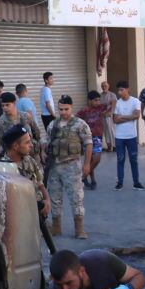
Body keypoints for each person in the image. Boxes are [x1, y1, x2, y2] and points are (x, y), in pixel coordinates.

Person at [45, 95, 93, 239]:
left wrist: (87, 164)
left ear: (71, 108)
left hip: (72, 165)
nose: (63, 112)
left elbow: (88, 143)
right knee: (54, 197)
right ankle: (56, 227)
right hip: (54, 166)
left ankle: (79, 229)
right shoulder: (53, 125)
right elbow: (47, 142)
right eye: (61, 109)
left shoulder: (80, 124)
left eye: (66, 109)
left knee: (76, 197)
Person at [2, 124, 52, 250]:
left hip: (36, 212)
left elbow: (40, 183)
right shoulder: (2, 166)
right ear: (15, 146)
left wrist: (47, 200)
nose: (31, 145)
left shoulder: (29, 160)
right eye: (27, 142)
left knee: (35, 249)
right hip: (17, 218)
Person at [112, 80, 144, 190]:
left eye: (122, 90)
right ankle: (119, 182)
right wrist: (129, 116)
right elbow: (115, 120)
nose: (120, 92)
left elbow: (136, 116)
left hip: (131, 136)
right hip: (119, 137)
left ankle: (136, 182)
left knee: (133, 160)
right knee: (120, 159)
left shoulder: (135, 101)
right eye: (119, 90)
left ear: (127, 89)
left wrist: (122, 117)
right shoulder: (117, 102)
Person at [77, 91, 108, 189]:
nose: (98, 102)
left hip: (97, 137)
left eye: (99, 100)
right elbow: (76, 120)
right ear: (89, 101)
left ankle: (84, 176)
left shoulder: (100, 108)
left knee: (97, 159)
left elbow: (113, 102)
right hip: (87, 138)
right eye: (95, 100)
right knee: (89, 160)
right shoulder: (84, 111)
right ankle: (92, 180)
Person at [0, 92, 41, 156]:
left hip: (31, 155)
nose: (5, 108)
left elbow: (37, 134)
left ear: (14, 103)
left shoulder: (26, 117)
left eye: (7, 105)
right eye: (2, 105)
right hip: (13, 158)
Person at [100, 80, 117, 152]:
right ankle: (109, 147)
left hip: (109, 116)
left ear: (108, 86)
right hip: (102, 116)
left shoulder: (112, 95)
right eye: (103, 86)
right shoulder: (100, 95)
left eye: (105, 86)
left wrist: (111, 113)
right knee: (106, 132)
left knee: (112, 131)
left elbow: (114, 105)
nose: (104, 87)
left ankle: (115, 146)